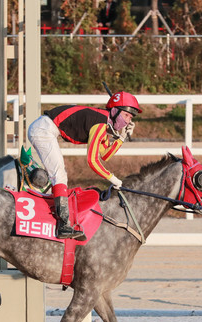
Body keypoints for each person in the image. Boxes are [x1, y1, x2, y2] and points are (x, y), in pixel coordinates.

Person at [27, 91, 141, 240]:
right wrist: (113, 179)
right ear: (114, 111)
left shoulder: (103, 124)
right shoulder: (99, 124)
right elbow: (92, 161)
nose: (127, 121)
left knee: (59, 174)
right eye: (126, 115)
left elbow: (105, 155)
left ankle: (59, 217)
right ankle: (63, 225)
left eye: (131, 118)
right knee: (59, 174)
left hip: (47, 129)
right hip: (43, 129)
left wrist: (121, 138)